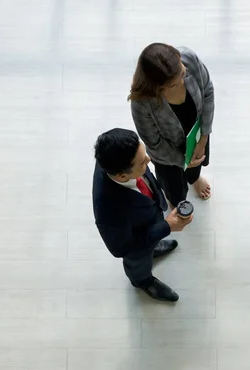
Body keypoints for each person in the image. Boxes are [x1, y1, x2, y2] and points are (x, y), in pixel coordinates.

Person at [92, 128, 193, 302]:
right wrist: (166, 226)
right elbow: (122, 249)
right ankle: (144, 281)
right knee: (138, 262)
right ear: (122, 175)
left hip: (146, 219)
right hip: (136, 242)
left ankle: (153, 247)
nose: (149, 159)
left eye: (144, 153)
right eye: (142, 163)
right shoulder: (108, 211)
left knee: (150, 244)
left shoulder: (119, 156)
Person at [129, 43, 214, 209]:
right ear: (157, 87)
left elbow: (208, 91)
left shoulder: (188, 58)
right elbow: (155, 144)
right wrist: (183, 160)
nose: (183, 82)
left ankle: (194, 178)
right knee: (174, 188)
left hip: (197, 133)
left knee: (196, 165)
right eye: (174, 84)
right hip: (167, 153)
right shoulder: (141, 103)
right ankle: (176, 200)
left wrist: (204, 137)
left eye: (183, 73)